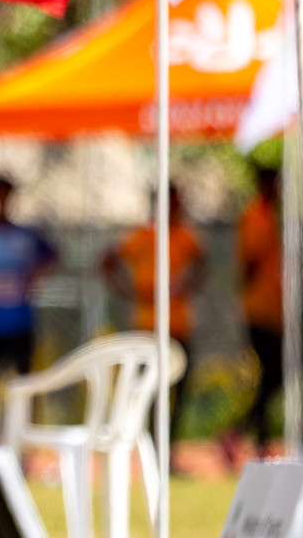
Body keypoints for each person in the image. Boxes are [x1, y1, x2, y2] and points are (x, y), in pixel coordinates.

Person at [99, 184, 206, 451]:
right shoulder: (142, 235)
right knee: (149, 391)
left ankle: (170, 446)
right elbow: (106, 263)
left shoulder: (184, 235)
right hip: (148, 326)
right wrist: (131, 293)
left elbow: (203, 263)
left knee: (179, 388)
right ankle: (149, 445)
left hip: (179, 324)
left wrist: (189, 287)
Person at [0, 176, 57, 438]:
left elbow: (52, 257)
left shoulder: (26, 237)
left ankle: (27, 440)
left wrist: (33, 276)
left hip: (21, 322)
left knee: (26, 385)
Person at [231, 166, 284, 462]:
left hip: (274, 310)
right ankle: (244, 434)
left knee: (272, 376)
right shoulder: (255, 216)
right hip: (259, 309)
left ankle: (253, 437)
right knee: (274, 373)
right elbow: (249, 262)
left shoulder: (273, 216)